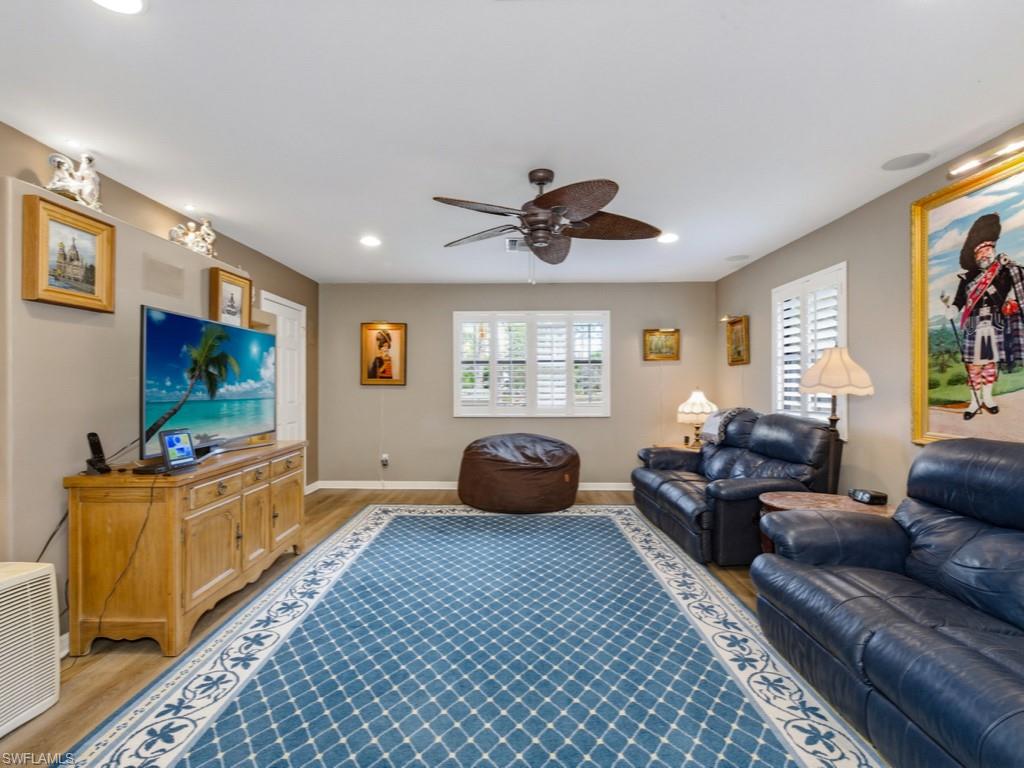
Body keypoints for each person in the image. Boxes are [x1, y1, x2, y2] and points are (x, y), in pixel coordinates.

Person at [947, 213, 1024, 420]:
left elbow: (1016, 283)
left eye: (988, 250)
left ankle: (988, 399)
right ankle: (974, 402)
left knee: (990, 364)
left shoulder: (1003, 272)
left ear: (993, 250)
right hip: (973, 325)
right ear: (975, 256)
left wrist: (1007, 266)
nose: (985, 255)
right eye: (981, 252)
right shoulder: (968, 279)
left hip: (994, 324)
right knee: (973, 364)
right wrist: (953, 309)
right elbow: (958, 301)